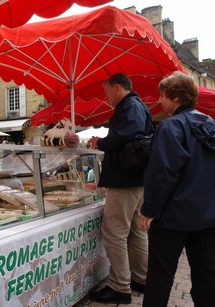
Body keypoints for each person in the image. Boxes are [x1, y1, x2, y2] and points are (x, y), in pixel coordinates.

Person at [139, 71, 215, 307]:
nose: (160, 102)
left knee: (160, 275)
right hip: (208, 215)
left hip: (173, 216)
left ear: (175, 98)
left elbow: (163, 172)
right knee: (207, 275)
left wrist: (150, 209)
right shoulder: (211, 124)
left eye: (162, 96)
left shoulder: (171, 127)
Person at [88, 73, 154, 304]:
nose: (106, 96)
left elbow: (128, 134)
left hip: (126, 180)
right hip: (135, 179)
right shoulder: (135, 106)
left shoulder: (130, 106)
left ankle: (119, 286)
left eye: (106, 90)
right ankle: (141, 278)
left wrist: (101, 142)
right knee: (136, 232)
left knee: (114, 232)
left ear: (117, 87)